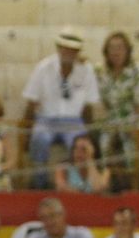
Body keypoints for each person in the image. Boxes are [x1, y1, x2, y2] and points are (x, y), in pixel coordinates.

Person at [20, 28, 99, 184]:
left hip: (73, 121)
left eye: (73, 50)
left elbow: (89, 105)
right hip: (46, 119)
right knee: (40, 139)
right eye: (66, 48)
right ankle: (39, 183)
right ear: (58, 48)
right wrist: (27, 128)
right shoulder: (44, 67)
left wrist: (88, 132)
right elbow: (32, 100)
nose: (69, 52)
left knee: (80, 145)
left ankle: (77, 184)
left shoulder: (86, 70)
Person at [96, 31, 139, 172]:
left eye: (120, 48)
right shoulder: (100, 71)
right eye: (112, 48)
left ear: (127, 51)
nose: (115, 52)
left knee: (132, 147)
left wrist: (134, 126)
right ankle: (107, 182)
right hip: (109, 121)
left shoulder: (137, 71)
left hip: (132, 119)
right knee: (104, 145)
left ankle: (134, 183)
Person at [7, 197, 94, 238]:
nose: (49, 222)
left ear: (62, 215)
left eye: (52, 216)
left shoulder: (79, 232)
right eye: (44, 218)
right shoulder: (38, 235)